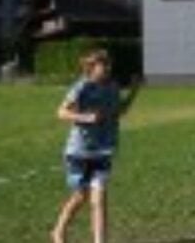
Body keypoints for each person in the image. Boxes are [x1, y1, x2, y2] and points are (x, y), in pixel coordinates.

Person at [51, 50, 141, 243]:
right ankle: (58, 231)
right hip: (79, 152)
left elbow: (119, 111)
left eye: (109, 64)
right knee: (80, 197)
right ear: (91, 68)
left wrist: (133, 90)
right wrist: (86, 117)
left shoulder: (113, 86)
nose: (108, 68)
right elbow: (61, 112)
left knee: (99, 199)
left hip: (103, 150)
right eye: (103, 65)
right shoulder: (81, 87)